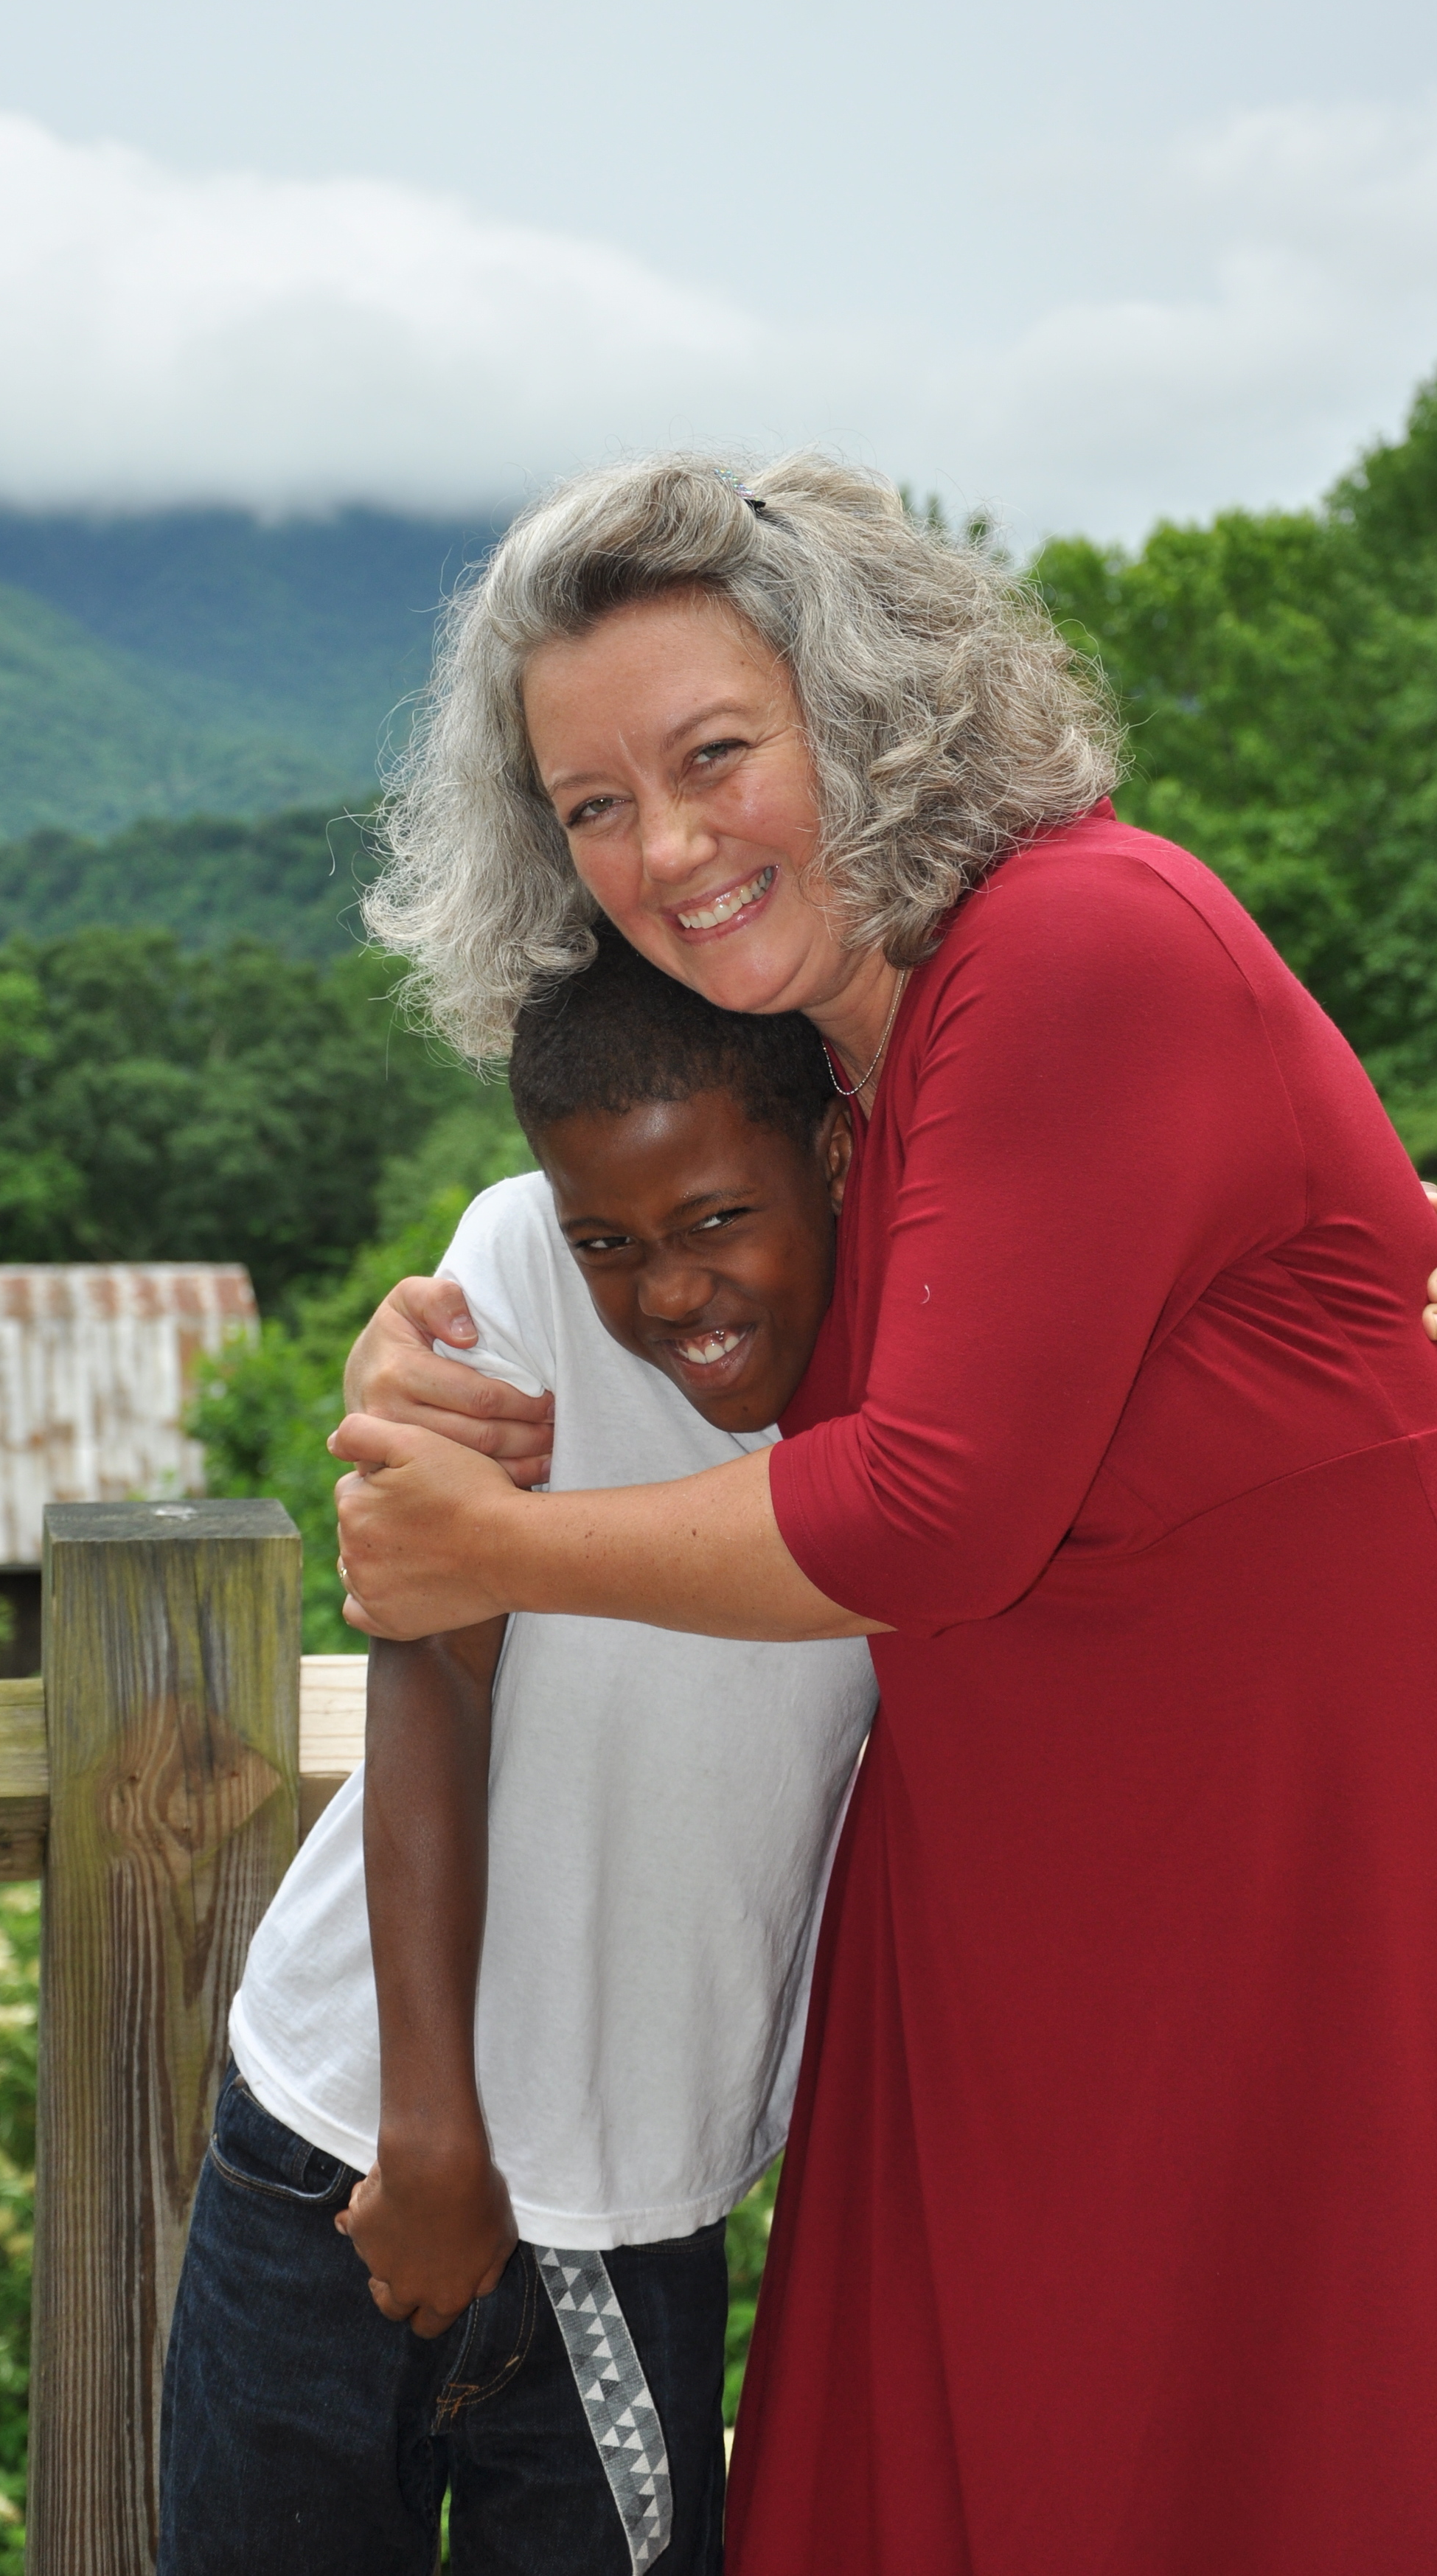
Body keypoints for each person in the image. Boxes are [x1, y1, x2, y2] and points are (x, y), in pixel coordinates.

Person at [332, 450, 1437, 2576]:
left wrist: (485, 1551)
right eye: (591, 805)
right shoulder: (829, 1075)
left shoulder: (1073, 938)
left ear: (862, 714)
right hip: (1034, 1921)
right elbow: (664, 1284)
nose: (661, 848)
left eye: (710, 756)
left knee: (1336, 2471)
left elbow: (934, 1505)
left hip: (1331, 1892)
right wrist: (426, 1351)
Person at [159, 941, 878, 2576]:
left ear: (830, 1154)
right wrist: (429, 2122)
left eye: (716, 1220)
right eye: (610, 1239)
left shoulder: (943, 1372)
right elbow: (431, 1662)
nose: (670, 1289)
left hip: (630, 2202)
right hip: (343, 2145)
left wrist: (1411, 1271)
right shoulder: (516, 1269)